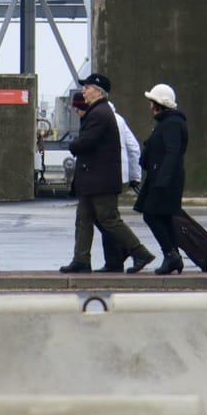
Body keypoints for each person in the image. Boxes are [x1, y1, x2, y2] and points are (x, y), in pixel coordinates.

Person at [61, 73, 156, 274]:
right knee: (83, 220)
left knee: (109, 219)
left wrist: (73, 145)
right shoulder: (98, 112)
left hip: (100, 180)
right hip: (92, 179)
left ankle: (140, 252)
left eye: (86, 87)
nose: (83, 91)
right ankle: (81, 260)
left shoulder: (99, 114)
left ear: (98, 91)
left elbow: (87, 142)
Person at [135, 83, 188, 275]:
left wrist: (163, 178)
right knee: (164, 217)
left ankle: (171, 255)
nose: (150, 108)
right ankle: (173, 256)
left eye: (152, 103)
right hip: (162, 176)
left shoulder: (172, 124)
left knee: (151, 215)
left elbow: (172, 152)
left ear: (159, 105)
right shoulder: (169, 122)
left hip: (164, 178)